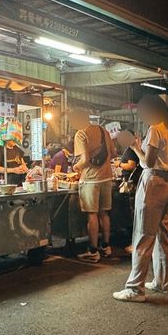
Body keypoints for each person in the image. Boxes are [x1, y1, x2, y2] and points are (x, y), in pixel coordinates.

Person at [113, 95, 168, 302]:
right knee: (164, 235)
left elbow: (147, 162)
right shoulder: (167, 130)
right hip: (167, 183)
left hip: (153, 184)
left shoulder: (155, 130)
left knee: (143, 236)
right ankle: (164, 282)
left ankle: (135, 289)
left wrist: (134, 148)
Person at [72, 110, 117, 263]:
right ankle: (106, 246)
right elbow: (114, 153)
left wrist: (75, 168)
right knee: (104, 213)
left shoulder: (80, 133)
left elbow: (84, 159)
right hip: (107, 178)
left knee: (92, 214)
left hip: (91, 179)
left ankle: (92, 251)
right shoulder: (103, 131)